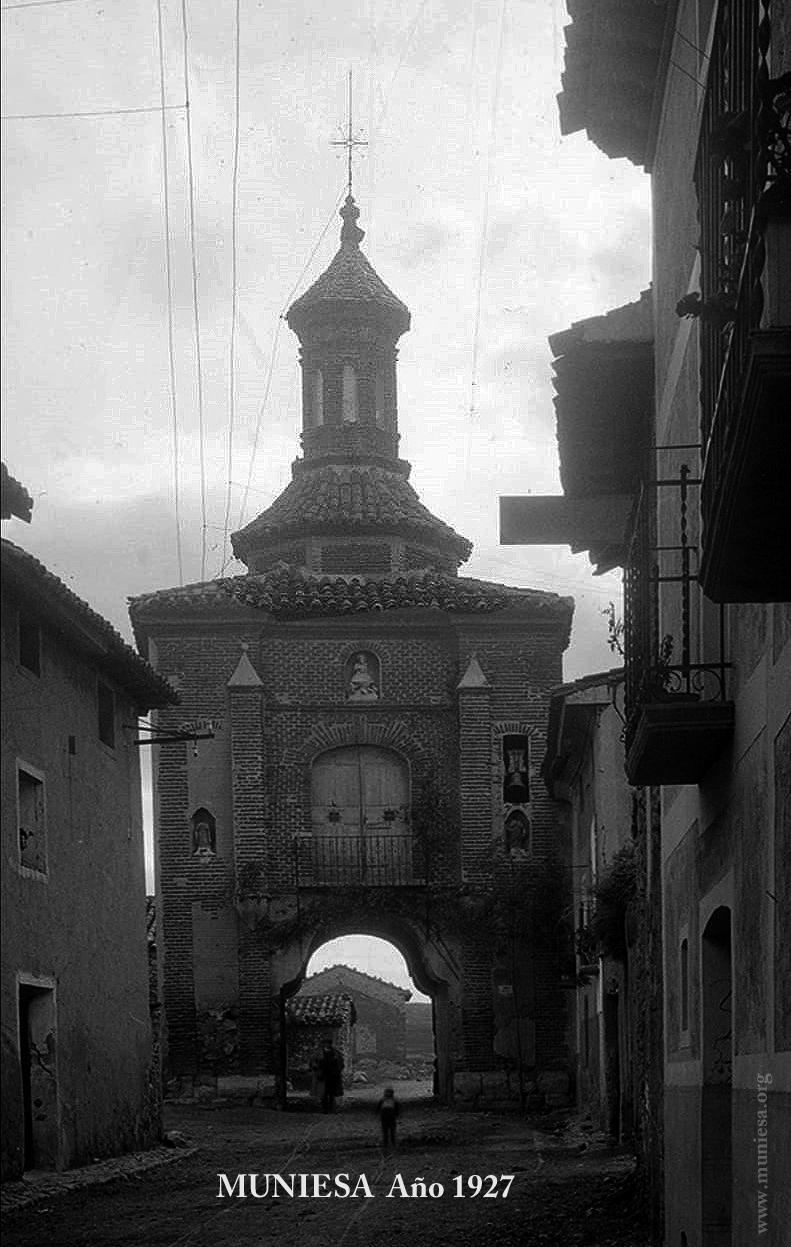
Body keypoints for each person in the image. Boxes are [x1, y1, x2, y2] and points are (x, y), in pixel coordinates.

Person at [319, 1040, 344, 1113]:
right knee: (323, 1093)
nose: (327, 1045)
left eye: (328, 1043)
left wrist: (338, 1070)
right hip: (323, 1075)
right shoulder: (319, 1053)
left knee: (332, 1093)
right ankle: (325, 1108)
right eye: (325, 1043)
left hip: (333, 1075)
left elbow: (341, 1063)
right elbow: (314, 1062)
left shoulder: (336, 1053)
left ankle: (331, 1107)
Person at [376, 1086, 399, 1152]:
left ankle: (386, 1143)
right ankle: (392, 1142)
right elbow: (397, 1109)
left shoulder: (383, 1100)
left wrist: (378, 1113)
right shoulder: (394, 1100)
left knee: (385, 1130)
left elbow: (378, 1108)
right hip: (391, 1116)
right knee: (391, 1130)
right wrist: (397, 1114)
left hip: (384, 1116)